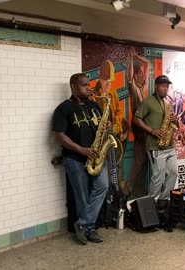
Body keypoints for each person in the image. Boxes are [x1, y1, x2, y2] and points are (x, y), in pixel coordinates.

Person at [53, 73, 111, 244]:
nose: (88, 88)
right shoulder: (63, 109)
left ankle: (83, 224)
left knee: (102, 187)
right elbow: (60, 136)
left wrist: (106, 126)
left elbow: (101, 129)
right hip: (74, 158)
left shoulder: (95, 106)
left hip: (96, 157)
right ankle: (89, 229)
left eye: (89, 84)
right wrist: (81, 150)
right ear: (73, 86)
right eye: (84, 85)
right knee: (82, 196)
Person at [133, 75, 178, 207]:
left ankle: (163, 201)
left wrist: (174, 120)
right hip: (155, 146)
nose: (166, 89)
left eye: (167, 87)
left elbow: (173, 125)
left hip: (169, 146)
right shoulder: (148, 101)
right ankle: (151, 205)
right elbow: (137, 119)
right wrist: (151, 130)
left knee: (173, 173)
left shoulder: (166, 103)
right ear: (156, 86)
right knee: (158, 177)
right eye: (163, 86)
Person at [123, 47, 150, 196]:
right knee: (139, 159)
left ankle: (137, 188)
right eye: (140, 73)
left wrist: (136, 56)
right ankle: (127, 188)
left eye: (141, 73)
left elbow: (148, 64)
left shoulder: (143, 86)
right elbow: (129, 77)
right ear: (136, 75)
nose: (143, 75)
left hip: (144, 125)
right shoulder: (133, 87)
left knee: (143, 159)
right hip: (138, 125)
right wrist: (131, 59)